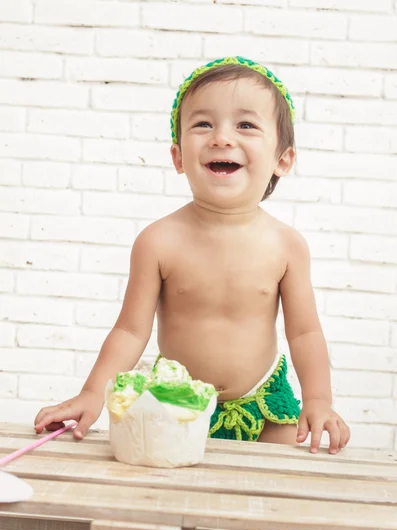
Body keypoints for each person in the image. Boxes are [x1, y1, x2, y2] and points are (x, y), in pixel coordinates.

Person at [34, 56, 350, 453]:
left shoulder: (286, 245)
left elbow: (304, 332)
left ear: (282, 159)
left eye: (246, 125)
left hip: (264, 405)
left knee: (282, 485)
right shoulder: (158, 241)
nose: (221, 137)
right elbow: (130, 331)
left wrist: (319, 401)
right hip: (174, 404)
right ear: (179, 157)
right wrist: (92, 393)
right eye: (203, 124)